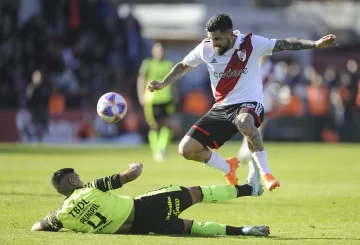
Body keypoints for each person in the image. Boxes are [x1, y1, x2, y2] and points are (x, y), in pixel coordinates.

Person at [147, 13, 337, 190]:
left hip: (250, 103)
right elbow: (183, 65)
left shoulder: (251, 43)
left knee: (243, 121)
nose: (213, 44)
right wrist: (163, 83)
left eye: (218, 39)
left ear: (230, 36)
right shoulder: (206, 48)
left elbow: (286, 43)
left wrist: (315, 44)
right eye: (211, 39)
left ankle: (266, 173)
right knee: (186, 149)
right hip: (221, 107)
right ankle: (227, 167)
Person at [31, 161, 270, 236]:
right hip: (144, 208)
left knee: (191, 228)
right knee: (195, 192)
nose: (81, 179)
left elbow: (36, 228)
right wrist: (136, 167)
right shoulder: (90, 188)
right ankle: (251, 189)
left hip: (141, 229)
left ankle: (242, 231)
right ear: (72, 182)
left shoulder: (61, 216)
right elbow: (129, 176)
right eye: (78, 177)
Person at [137, 42, 177, 162]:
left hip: (166, 99)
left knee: (168, 125)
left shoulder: (169, 64)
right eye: (158, 50)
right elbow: (141, 79)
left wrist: (175, 95)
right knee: (154, 126)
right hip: (151, 100)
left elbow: (174, 81)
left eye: (162, 50)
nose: (160, 52)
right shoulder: (148, 64)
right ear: (153, 51)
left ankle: (162, 147)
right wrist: (141, 95)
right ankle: (156, 151)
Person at [238, 56, 280, 164]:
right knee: (248, 127)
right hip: (251, 101)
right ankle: (246, 151)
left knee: (259, 128)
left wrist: (275, 97)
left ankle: (253, 152)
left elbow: (277, 85)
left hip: (265, 102)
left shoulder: (273, 68)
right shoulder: (251, 65)